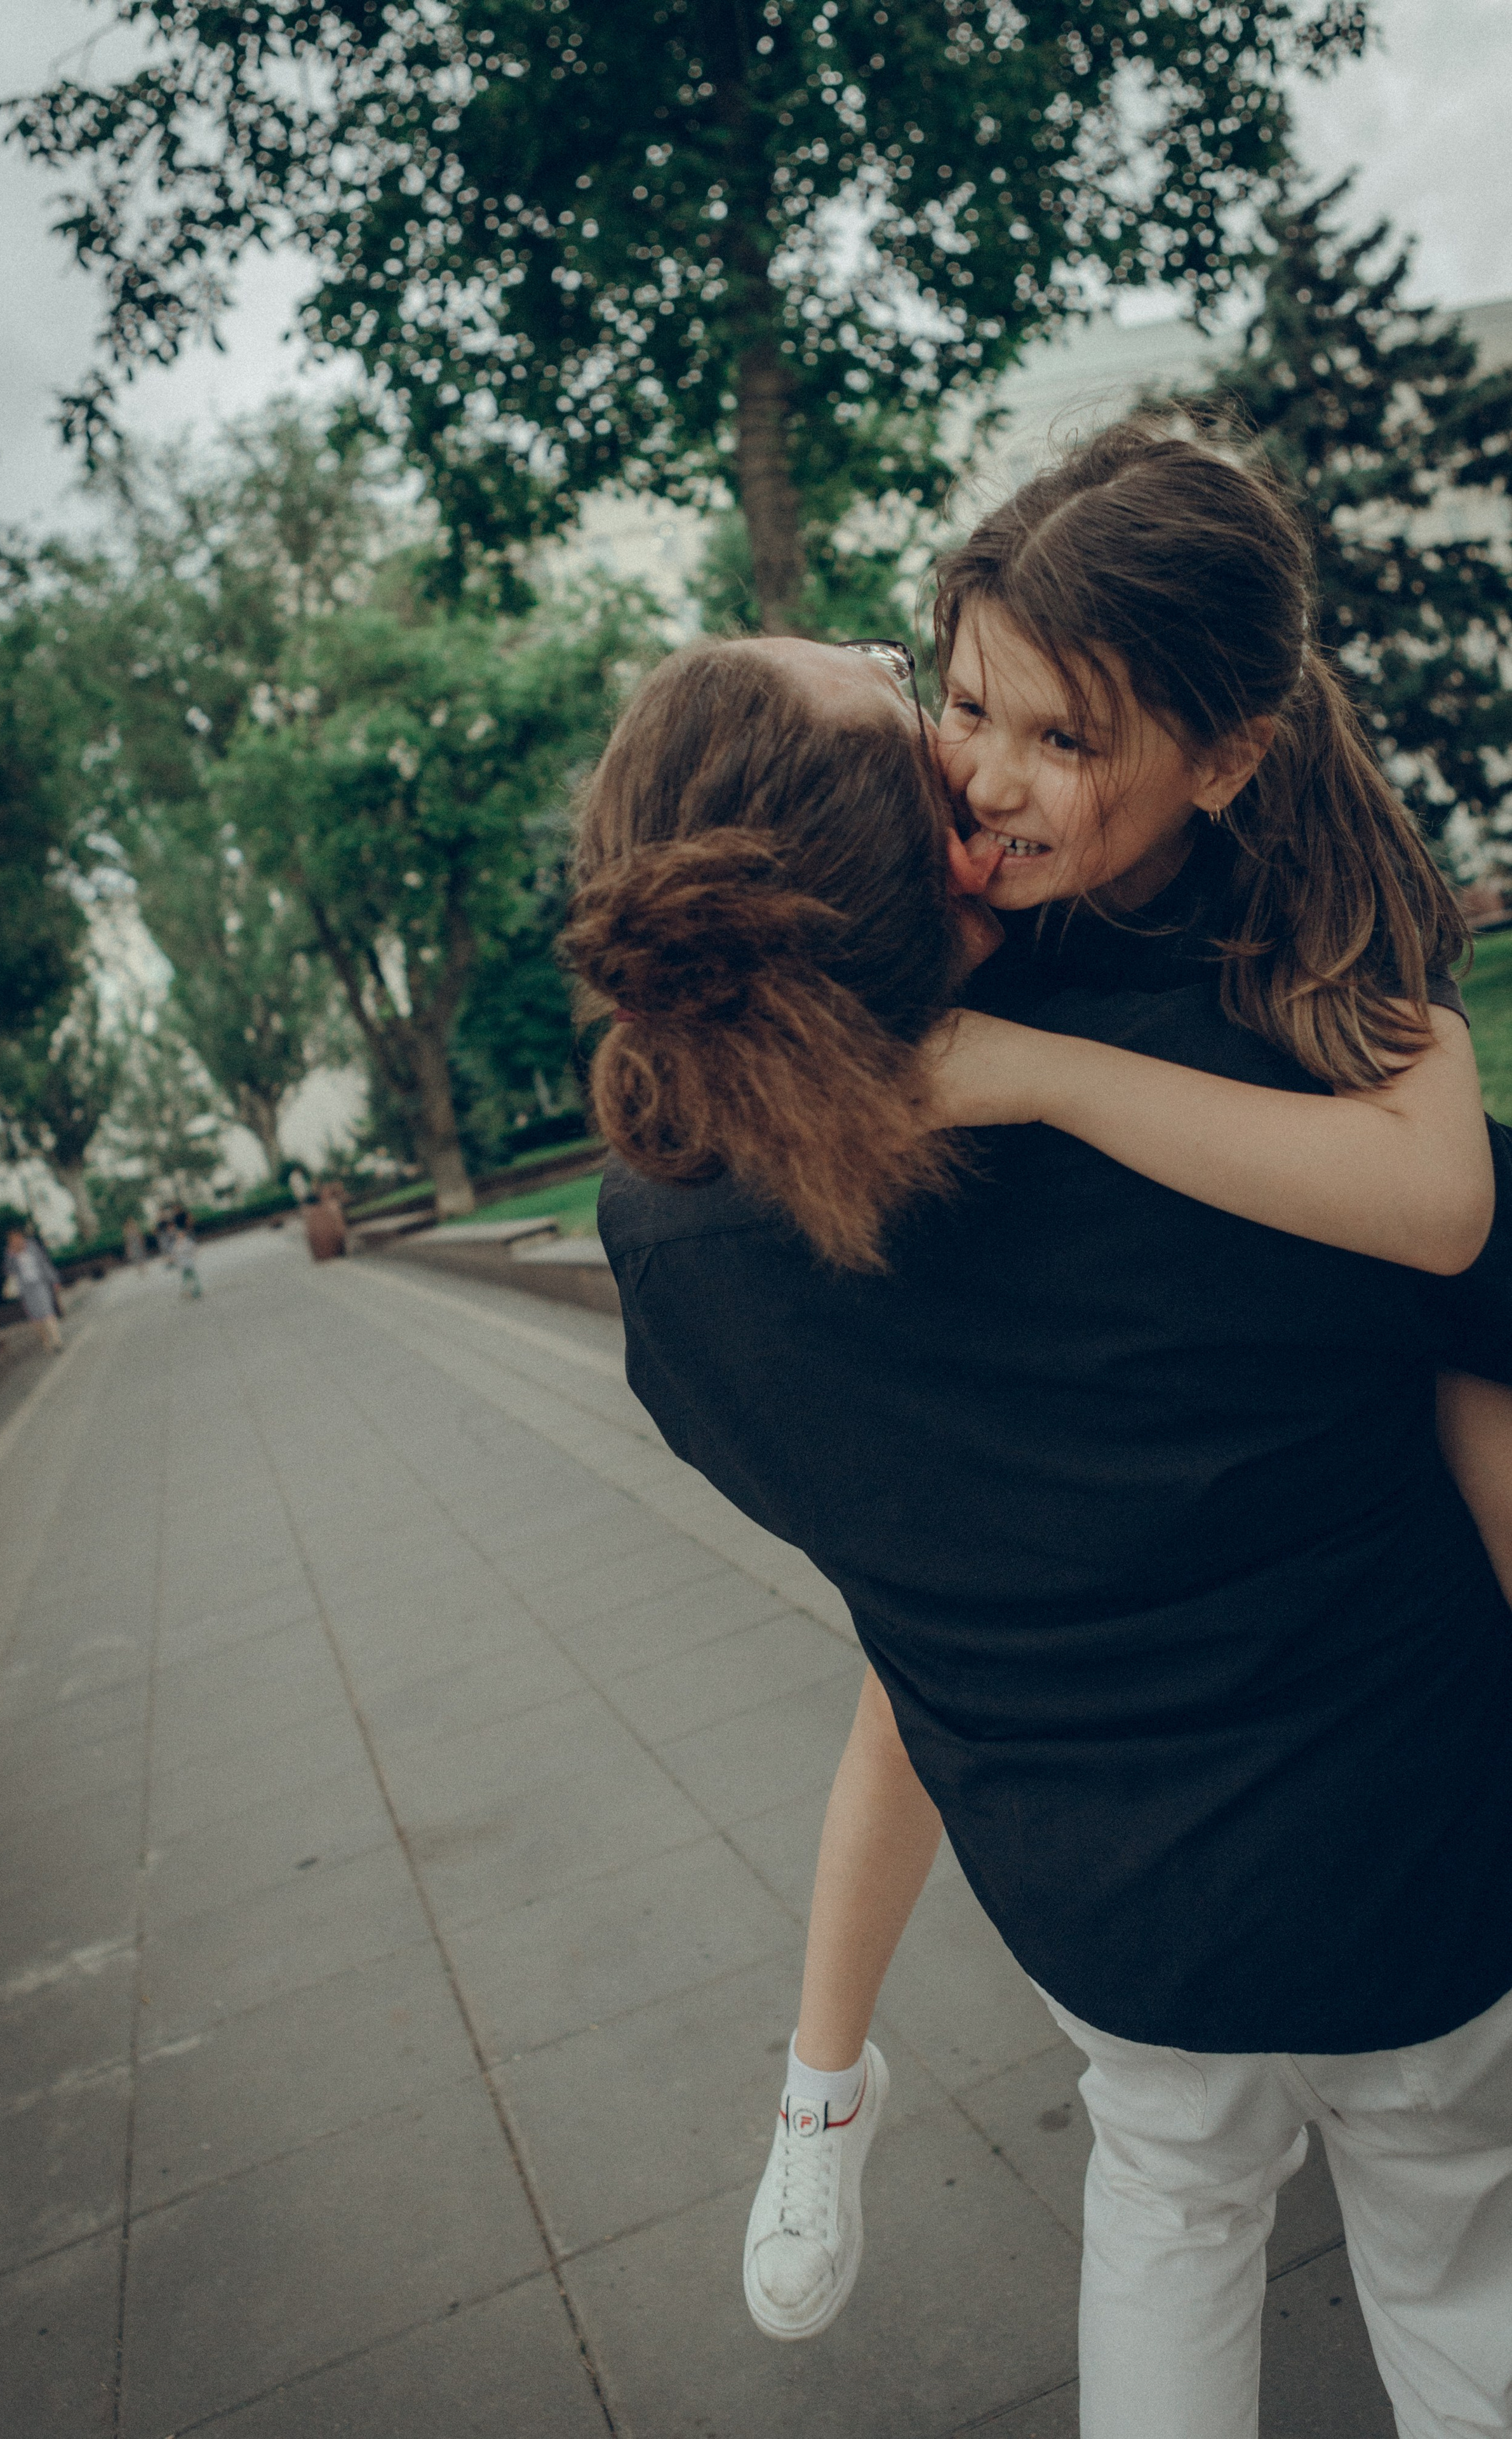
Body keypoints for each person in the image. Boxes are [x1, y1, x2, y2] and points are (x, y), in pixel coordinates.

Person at [565, 420, 1512, 2439]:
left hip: (1106, 1895)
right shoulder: (1243, 1098)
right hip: (1407, 1851)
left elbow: (879, 1572)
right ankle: (822, 2066)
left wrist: (1031, 1070)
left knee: (1167, 2203)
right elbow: (1462, 1250)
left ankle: (822, 2071)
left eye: (1035, 733)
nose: (975, 766)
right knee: (1447, 2250)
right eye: (944, 711)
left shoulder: (680, 1232)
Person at [4, 1226, 63, 1354]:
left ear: (21, 1236)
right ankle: (46, 1340)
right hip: (26, 1290)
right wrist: (12, 1256)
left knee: (48, 1310)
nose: (16, 1241)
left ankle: (57, 1340)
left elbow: (44, 1263)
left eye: (17, 1238)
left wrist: (54, 1280)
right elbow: (9, 1272)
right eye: (12, 1240)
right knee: (36, 1317)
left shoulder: (32, 1246)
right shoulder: (10, 1254)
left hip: (40, 1284)